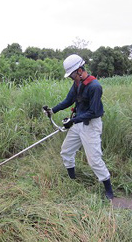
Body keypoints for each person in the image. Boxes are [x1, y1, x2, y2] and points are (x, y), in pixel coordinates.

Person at [44, 54, 114, 200]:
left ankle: (109, 190)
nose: (71, 77)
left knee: (94, 160)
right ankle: (72, 180)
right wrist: (53, 110)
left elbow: (93, 112)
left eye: (72, 75)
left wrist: (73, 121)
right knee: (66, 151)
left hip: (91, 125)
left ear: (80, 70)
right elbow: (69, 100)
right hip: (78, 123)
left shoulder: (95, 87)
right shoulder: (77, 84)